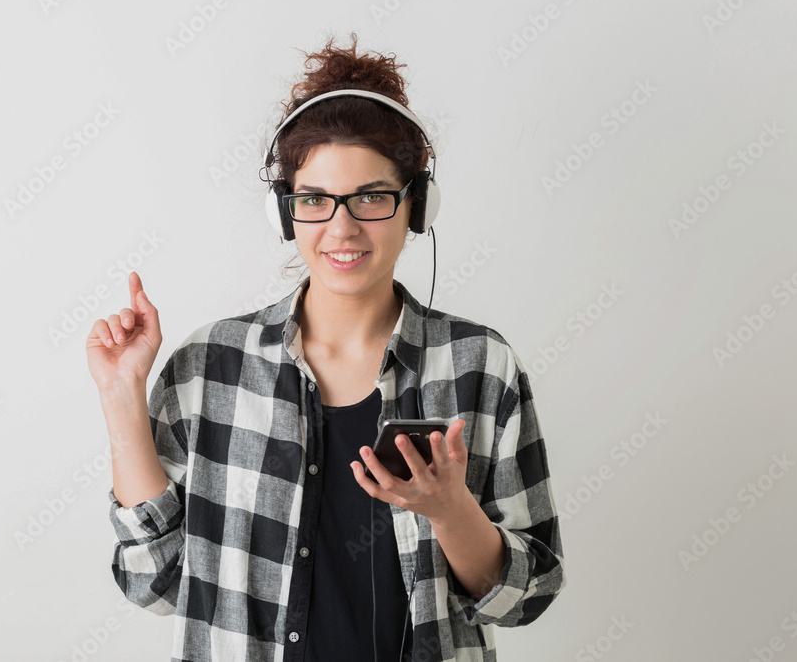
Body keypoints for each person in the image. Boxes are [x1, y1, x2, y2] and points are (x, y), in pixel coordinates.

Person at [87, 33, 566, 662]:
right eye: (314, 200)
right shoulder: (209, 367)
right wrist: (122, 398)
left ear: (416, 205)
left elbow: (527, 596)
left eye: (371, 196)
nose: (342, 228)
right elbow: (155, 582)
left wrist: (452, 512)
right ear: (285, 213)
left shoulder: (481, 366)